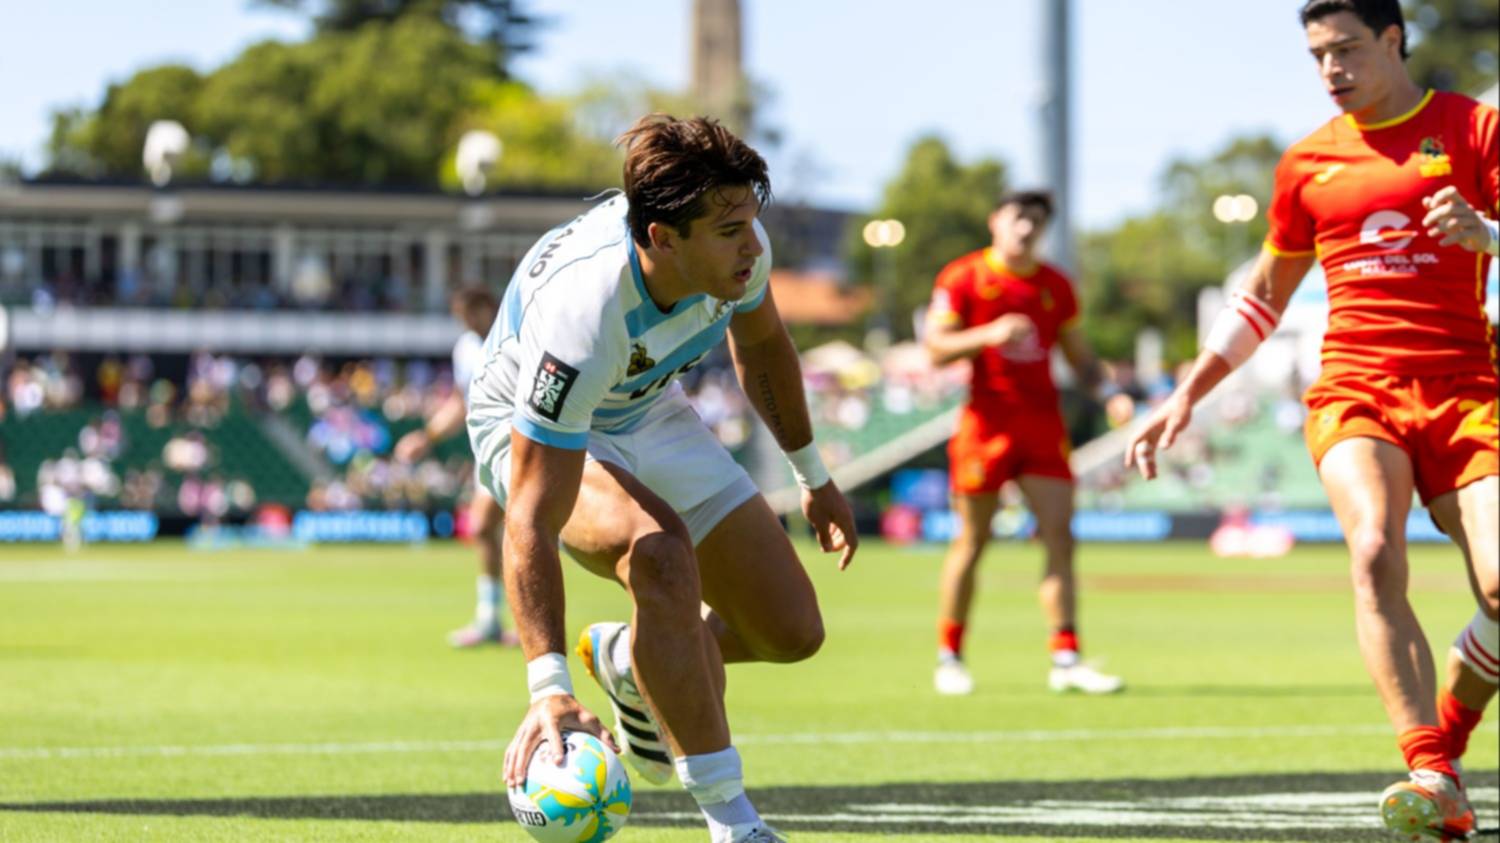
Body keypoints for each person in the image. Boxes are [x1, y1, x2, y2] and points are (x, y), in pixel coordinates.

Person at [1125, 2, 1498, 839]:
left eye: (1348, 49)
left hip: (1470, 388)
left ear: (1394, 41)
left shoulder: (1473, 128)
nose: (1331, 69)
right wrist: (1188, 391)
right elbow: (1262, 295)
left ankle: (1452, 729)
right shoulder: (1306, 163)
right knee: (1372, 548)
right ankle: (1430, 769)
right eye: (1317, 56)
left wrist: (1490, 234)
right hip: (1357, 387)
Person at [467, 114, 858, 843]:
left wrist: (813, 472)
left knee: (790, 629)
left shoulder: (742, 249)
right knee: (659, 555)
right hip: (531, 424)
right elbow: (529, 514)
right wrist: (547, 688)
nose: (751, 244)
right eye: (728, 228)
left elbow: (765, 344)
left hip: (647, 408)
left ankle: (630, 655)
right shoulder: (585, 311)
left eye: (751, 220)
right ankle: (733, 821)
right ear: (662, 238)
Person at [923, 190, 1122, 696]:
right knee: (971, 542)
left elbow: (1080, 357)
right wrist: (986, 334)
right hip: (984, 427)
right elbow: (935, 348)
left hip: (1042, 426)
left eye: (1037, 221)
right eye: (1018, 218)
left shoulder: (1056, 285)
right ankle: (950, 655)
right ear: (996, 221)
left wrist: (1111, 393)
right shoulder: (963, 277)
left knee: (1061, 538)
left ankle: (1066, 658)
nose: (1027, 228)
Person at [395, 287, 518, 648]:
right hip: (491, 450)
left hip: (528, 445)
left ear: (488, 308)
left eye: (470, 315)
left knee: (512, 530)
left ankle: (510, 621)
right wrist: (427, 436)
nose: (466, 324)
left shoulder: (519, 333)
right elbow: (462, 403)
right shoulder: (465, 348)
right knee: (484, 529)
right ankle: (491, 619)